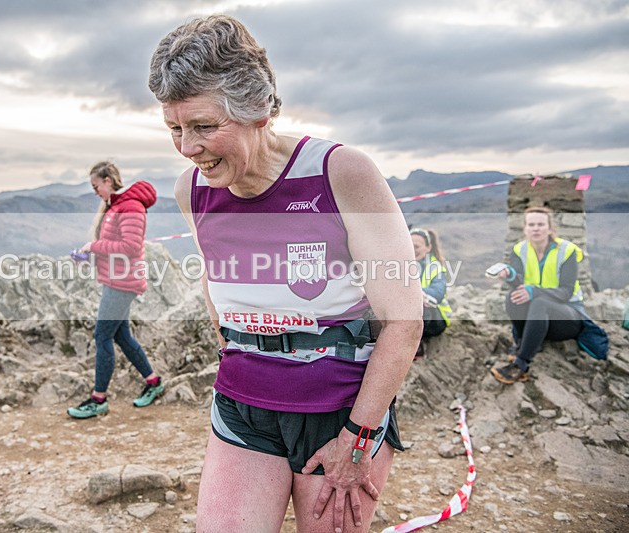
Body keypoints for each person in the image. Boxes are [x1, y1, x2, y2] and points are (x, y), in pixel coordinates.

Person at [148, 15, 422, 532]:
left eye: (204, 126)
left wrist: (359, 437)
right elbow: (216, 280)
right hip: (243, 404)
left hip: (340, 411)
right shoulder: (193, 189)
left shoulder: (342, 173)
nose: (187, 147)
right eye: (175, 129)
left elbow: (404, 320)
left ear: (258, 111)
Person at [66, 161, 165, 418]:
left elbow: (131, 247)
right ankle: (153, 382)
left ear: (108, 180)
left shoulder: (130, 207)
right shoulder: (117, 206)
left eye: (96, 185)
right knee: (121, 336)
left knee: (102, 336)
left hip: (123, 282)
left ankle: (98, 399)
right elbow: (116, 244)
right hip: (116, 279)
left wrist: (94, 247)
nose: (95, 191)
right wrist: (90, 254)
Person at [490, 207, 587, 384]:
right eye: (531, 224)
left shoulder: (567, 251)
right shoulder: (519, 250)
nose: (536, 228)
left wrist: (534, 291)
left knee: (540, 302)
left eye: (541, 224)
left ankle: (521, 364)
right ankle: (523, 343)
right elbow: (519, 283)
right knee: (513, 297)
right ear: (525, 229)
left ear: (550, 228)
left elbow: (566, 292)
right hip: (539, 318)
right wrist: (510, 275)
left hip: (568, 317)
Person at [410, 228, 453, 357]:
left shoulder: (435, 267)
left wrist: (417, 294)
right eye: (409, 245)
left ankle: (415, 346)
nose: (412, 249)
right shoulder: (400, 265)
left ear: (428, 248)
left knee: (422, 308)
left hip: (436, 318)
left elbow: (438, 293)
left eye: (416, 246)